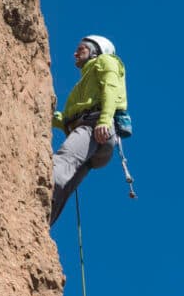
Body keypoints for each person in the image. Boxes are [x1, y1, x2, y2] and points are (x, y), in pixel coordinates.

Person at [50, 35, 127, 225]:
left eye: (82, 48)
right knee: (67, 186)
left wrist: (104, 120)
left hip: (95, 128)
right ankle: (44, 218)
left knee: (64, 159)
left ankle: (41, 185)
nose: (75, 53)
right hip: (94, 137)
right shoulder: (83, 83)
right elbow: (68, 119)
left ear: (96, 51)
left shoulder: (106, 61)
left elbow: (111, 89)